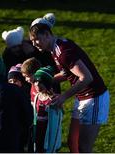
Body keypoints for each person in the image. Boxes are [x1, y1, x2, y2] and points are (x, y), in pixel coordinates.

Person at [29, 15, 110, 153]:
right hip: (82, 98)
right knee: (73, 143)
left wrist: (63, 96)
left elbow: (86, 77)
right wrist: (45, 79)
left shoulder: (63, 52)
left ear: (47, 34)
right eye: (32, 40)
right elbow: (67, 73)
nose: (34, 44)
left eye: (36, 39)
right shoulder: (55, 48)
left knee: (83, 148)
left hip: (94, 98)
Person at [32, 66, 63, 153]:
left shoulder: (53, 101)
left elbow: (55, 126)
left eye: (40, 82)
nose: (37, 84)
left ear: (47, 84)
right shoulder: (37, 97)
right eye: (35, 81)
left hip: (48, 134)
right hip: (37, 133)